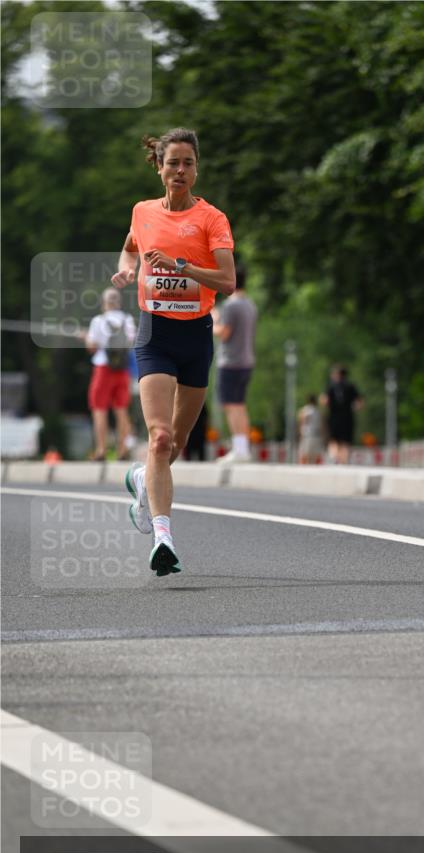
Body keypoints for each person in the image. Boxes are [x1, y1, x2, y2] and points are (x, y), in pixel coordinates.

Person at [111, 127, 235, 576]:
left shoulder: (211, 219)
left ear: (196, 170)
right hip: (155, 334)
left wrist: (181, 266)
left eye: (188, 163)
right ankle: (163, 537)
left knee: (176, 444)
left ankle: (142, 479)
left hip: (196, 336)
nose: (180, 170)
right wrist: (128, 271)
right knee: (159, 438)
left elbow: (227, 281)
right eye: (173, 163)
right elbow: (130, 249)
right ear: (159, 168)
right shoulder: (143, 211)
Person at [212, 262, 257, 464]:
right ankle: (243, 447)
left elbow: (224, 333)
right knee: (240, 405)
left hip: (231, 361)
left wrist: (213, 320)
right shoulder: (250, 305)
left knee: (231, 406)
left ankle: (239, 449)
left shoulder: (231, 305)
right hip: (246, 360)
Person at [84, 287, 136, 461]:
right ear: (119, 302)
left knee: (99, 409)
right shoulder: (127, 320)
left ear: (104, 303)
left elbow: (92, 347)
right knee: (121, 409)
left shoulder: (98, 321)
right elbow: (131, 342)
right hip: (122, 369)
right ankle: (122, 449)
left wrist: (85, 338)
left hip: (103, 368)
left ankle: (101, 450)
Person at [319, 365, 363, 464]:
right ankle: (343, 461)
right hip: (347, 417)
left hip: (335, 417)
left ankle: (336, 459)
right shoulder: (350, 386)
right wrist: (354, 407)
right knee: (345, 441)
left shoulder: (330, 386)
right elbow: (359, 402)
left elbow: (324, 400)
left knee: (334, 440)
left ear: (337, 375)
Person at [298, 394, 323, 464]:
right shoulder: (318, 411)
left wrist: (300, 432)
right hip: (316, 435)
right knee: (316, 456)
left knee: (303, 455)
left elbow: (302, 421)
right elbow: (321, 425)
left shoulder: (305, 410)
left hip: (307, 435)